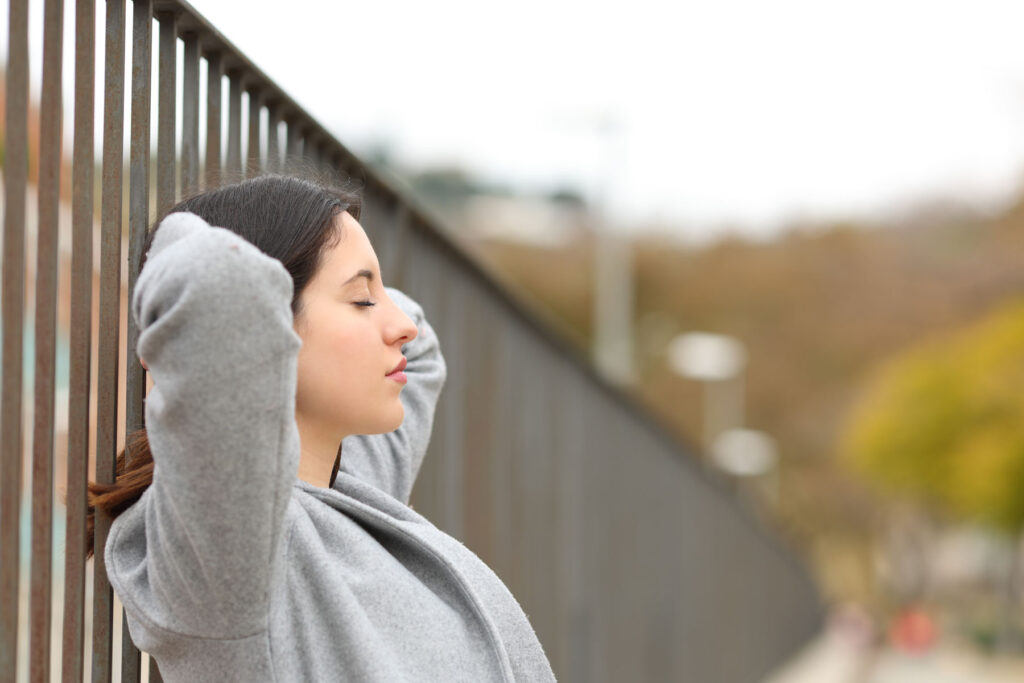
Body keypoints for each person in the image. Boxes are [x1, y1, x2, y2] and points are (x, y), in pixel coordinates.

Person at [86, 175, 556, 681]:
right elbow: (214, 284)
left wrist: (358, 283)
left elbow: (419, 354)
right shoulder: (228, 554)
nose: (403, 324)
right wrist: (188, 356)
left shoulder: (353, 498)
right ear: (264, 330)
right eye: (360, 300)